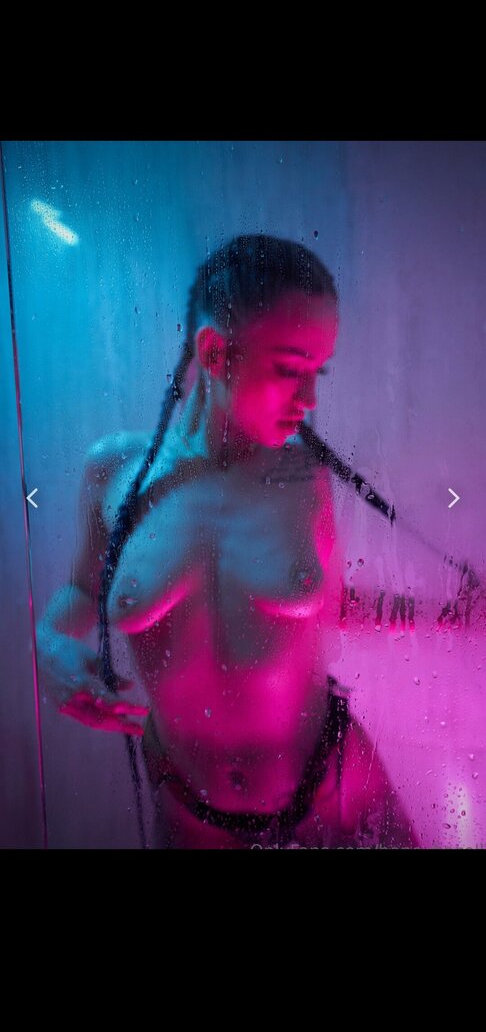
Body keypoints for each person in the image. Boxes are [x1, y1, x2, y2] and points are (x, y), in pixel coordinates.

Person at [36, 234, 420, 849]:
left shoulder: (303, 478)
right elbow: (82, 592)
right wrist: (50, 644)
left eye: (317, 372)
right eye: (289, 369)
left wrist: (448, 615)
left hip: (336, 783)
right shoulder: (116, 474)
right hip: (191, 815)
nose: (310, 400)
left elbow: (332, 605)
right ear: (214, 353)